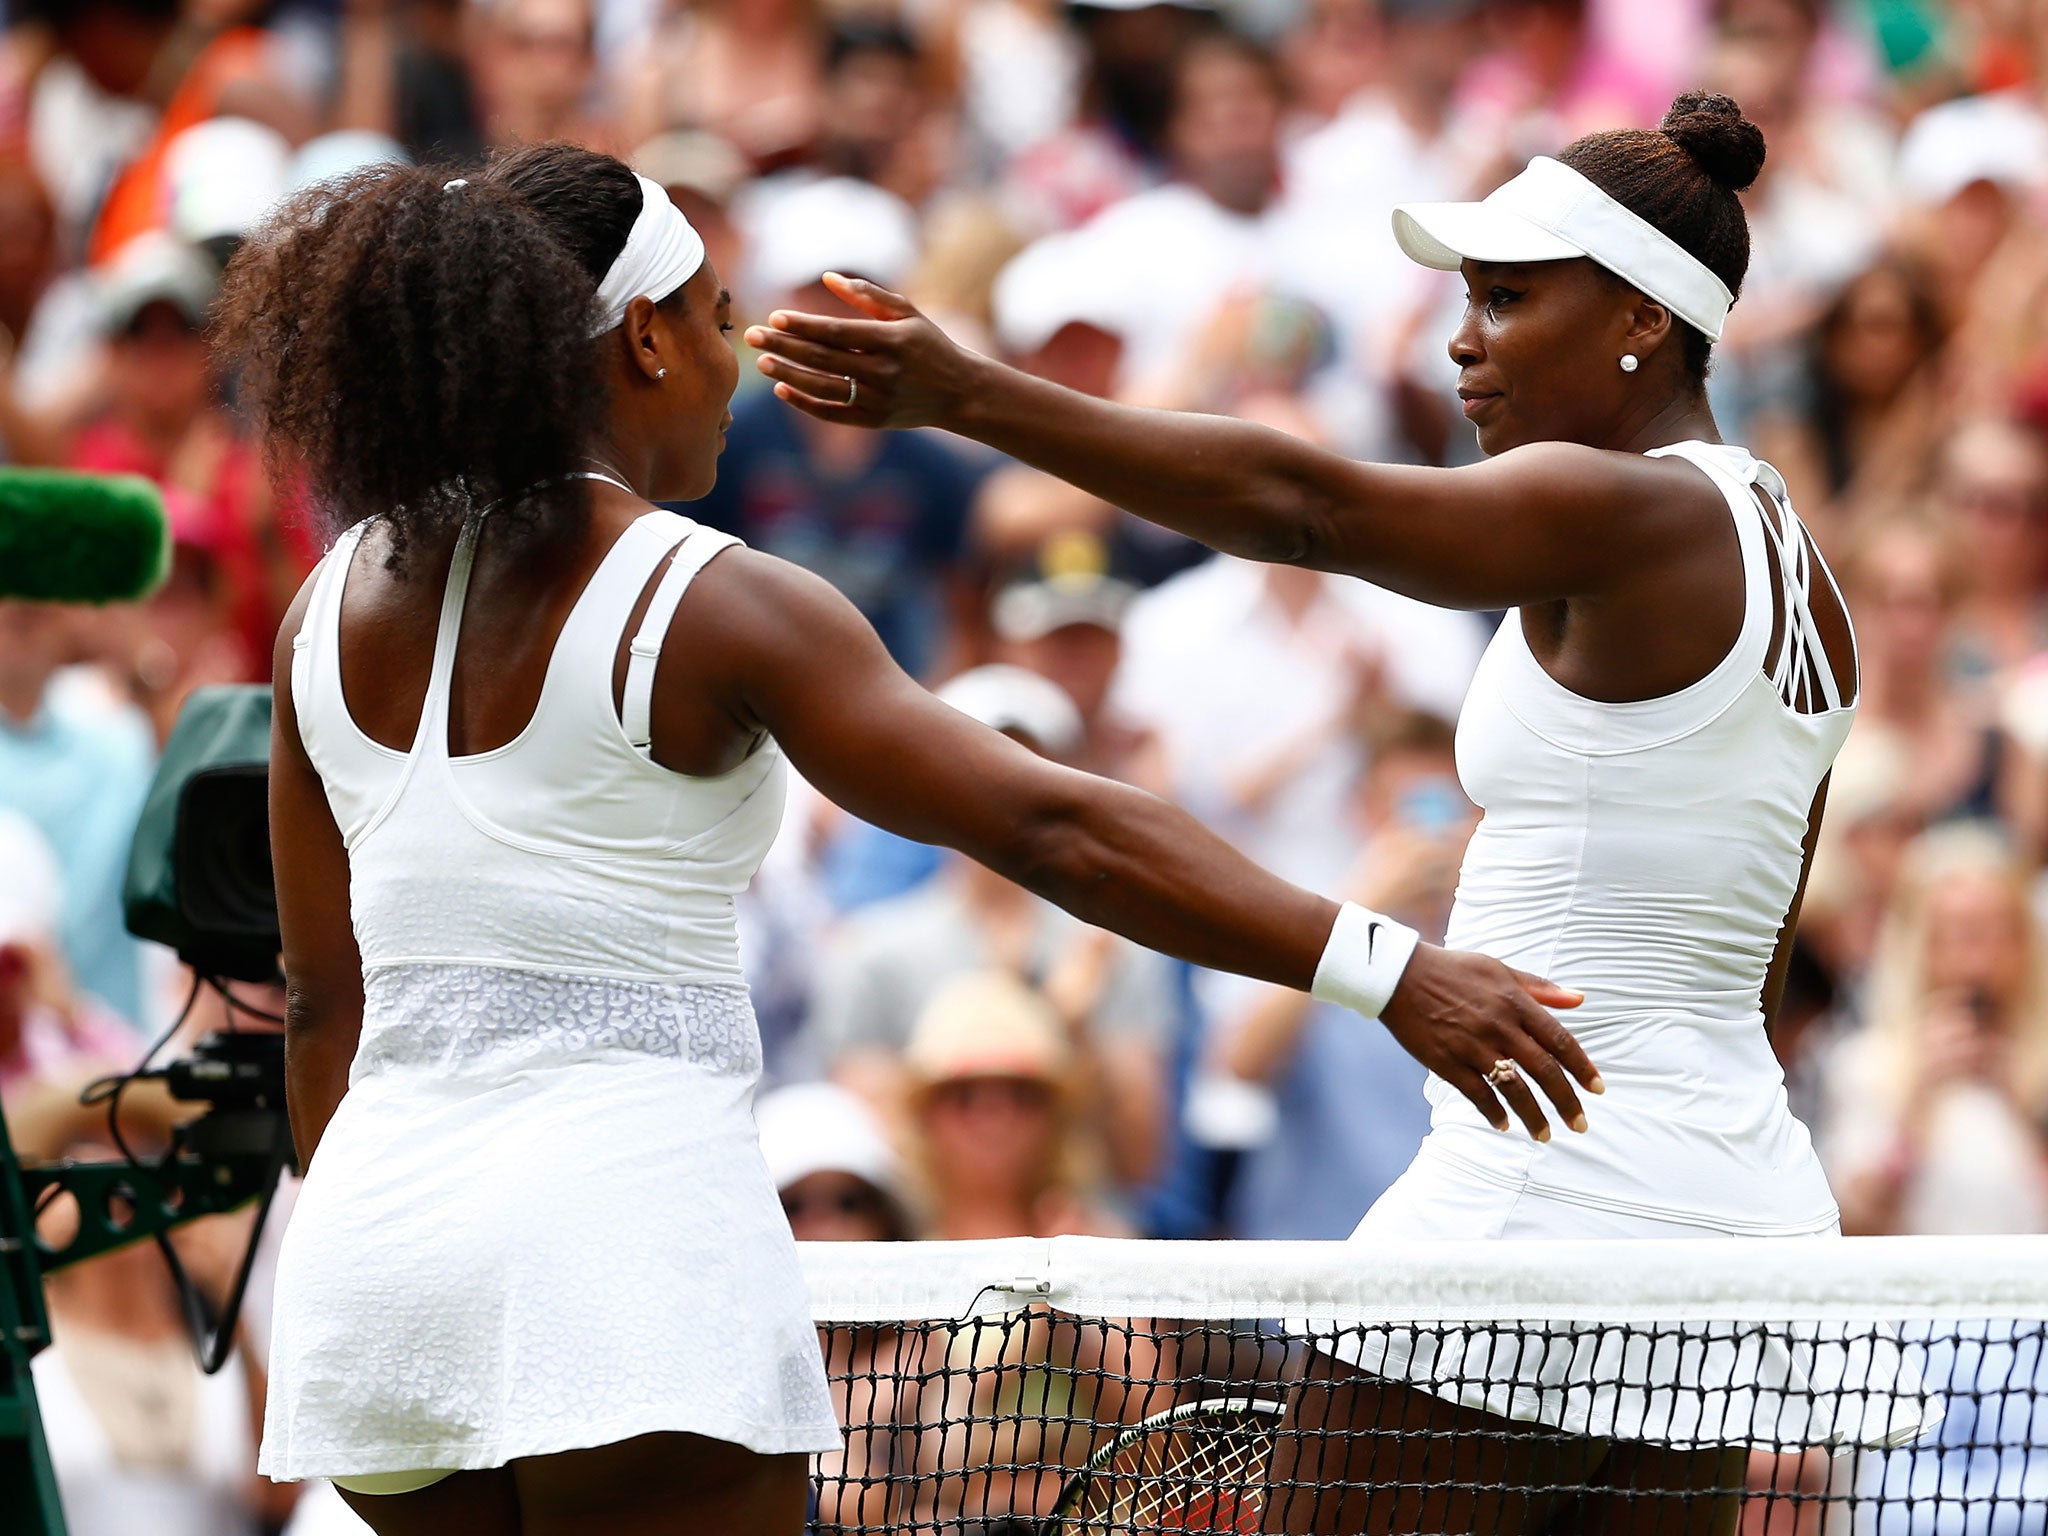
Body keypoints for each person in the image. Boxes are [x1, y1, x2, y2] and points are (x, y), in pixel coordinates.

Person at [218, 143, 1594, 1536]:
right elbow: (1056, 825)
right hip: (613, 1259)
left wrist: (396, 1233)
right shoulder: (722, 602)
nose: (734, 356)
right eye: (712, 316)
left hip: (382, 1264)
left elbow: (324, 1001)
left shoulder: (328, 607)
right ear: (640, 338)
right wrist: (1392, 970)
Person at [749, 90, 1904, 1533]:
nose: (1461, 342)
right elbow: (1760, 954)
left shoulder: (1636, 512)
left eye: (1505, 299)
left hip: (1549, 1196)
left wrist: (970, 396)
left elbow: (1303, 504)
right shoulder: (1805, 573)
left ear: (1640, 320)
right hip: (1732, 1220)